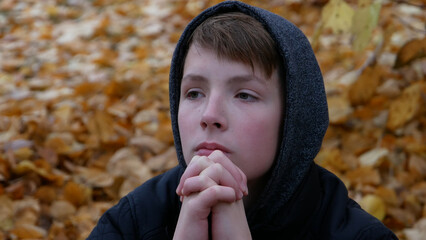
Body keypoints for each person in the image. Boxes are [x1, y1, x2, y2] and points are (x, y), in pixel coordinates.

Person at [87, 1, 397, 239]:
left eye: (244, 95)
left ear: (293, 117)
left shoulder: (357, 235)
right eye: (194, 93)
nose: (210, 116)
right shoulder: (131, 223)